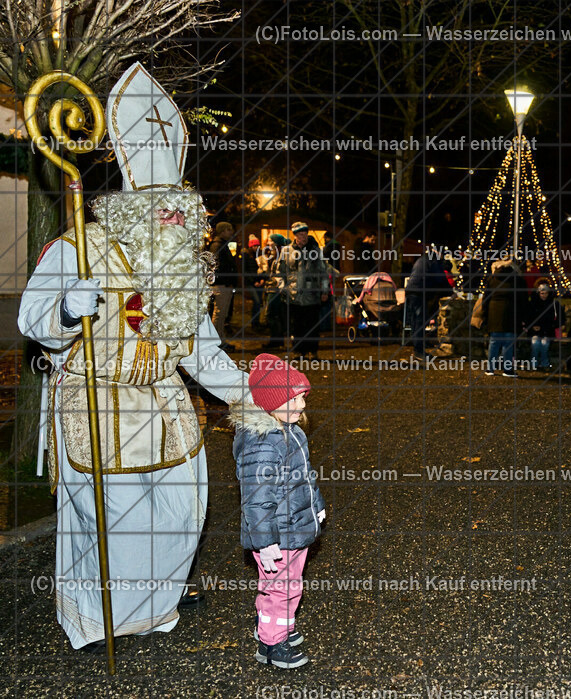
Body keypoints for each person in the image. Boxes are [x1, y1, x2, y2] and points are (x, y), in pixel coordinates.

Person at [17, 62, 249, 650]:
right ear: (131, 208)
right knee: (110, 527)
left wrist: (251, 395)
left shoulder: (183, 267)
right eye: (162, 205)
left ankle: (155, 607)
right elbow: (32, 323)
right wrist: (69, 311)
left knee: (179, 512)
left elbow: (200, 349)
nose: (175, 215)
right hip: (97, 399)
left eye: (181, 205)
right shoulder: (82, 246)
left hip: (167, 404)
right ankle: (98, 620)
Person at [231, 354, 325, 669]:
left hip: (292, 527)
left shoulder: (288, 430)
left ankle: (279, 627)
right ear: (272, 402)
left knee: (288, 585)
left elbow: (304, 477)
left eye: (302, 399)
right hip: (278, 535)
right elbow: (256, 498)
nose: (302, 406)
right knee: (280, 588)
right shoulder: (264, 443)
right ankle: (272, 643)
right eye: (294, 399)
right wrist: (265, 541)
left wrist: (317, 508)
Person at [274, 222, 329, 357]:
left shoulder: (315, 251)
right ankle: (299, 351)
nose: (303, 237)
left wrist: (325, 291)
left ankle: (313, 351)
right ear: (295, 235)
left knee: (313, 325)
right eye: (300, 234)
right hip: (293, 296)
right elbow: (279, 272)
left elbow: (324, 272)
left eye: (305, 234)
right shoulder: (286, 251)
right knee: (296, 325)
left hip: (312, 295)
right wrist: (282, 288)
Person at [405, 246, 452, 361]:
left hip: (411, 291)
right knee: (420, 322)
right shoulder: (433, 259)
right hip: (419, 292)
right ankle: (419, 352)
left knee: (416, 322)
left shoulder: (423, 258)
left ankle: (418, 349)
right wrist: (451, 292)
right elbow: (439, 278)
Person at [480, 258, 524, 377]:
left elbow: (486, 298)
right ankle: (507, 369)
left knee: (494, 341)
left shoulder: (492, 278)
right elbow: (522, 299)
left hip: (494, 312)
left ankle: (490, 369)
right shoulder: (517, 280)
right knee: (508, 342)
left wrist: (485, 314)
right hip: (511, 312)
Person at [208, 221, 239, 349]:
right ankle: (217, 341)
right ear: (223, 231)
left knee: (220, 314)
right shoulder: (218, 246)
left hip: (222, 284)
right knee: (220, 314)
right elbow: (218, 267)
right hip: (222, 285)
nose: (231, 232)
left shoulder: (219, 244)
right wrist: (226, 280)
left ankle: (218, 340)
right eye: (229, 230)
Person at [524, 282, 563, 370]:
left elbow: (559, 319)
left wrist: (546, 326)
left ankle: (544, 363)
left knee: (544, 343)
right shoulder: (533, 303)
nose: (544, 296)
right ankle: (534, 363)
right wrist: (532, 326)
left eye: (546, 293)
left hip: (548, 331)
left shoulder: (553, 304)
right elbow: (528, 318)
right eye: (542, 293)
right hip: (535, 331)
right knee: (535, 342)